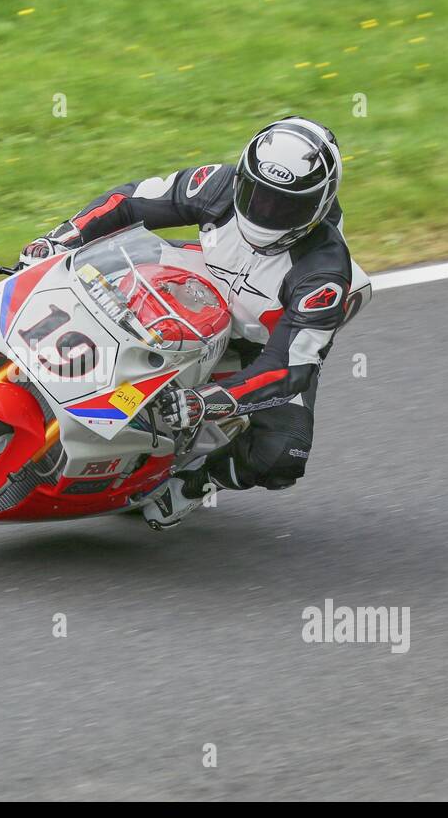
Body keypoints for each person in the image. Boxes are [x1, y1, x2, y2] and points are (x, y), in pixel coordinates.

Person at [21, 117, 366, 527]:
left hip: (259, 341)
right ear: (242, 177)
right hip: (192, 282)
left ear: (319, 205)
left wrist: (207, 401)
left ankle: (195, 481)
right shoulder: (217, 186)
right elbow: (131, 200)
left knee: (283, 452)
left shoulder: (324, 274)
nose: (264, 212)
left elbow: (288, 367)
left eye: (285, 206)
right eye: (256, 194)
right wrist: (61, 238)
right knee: (99, 274)